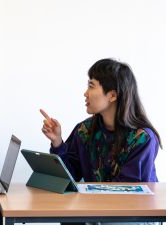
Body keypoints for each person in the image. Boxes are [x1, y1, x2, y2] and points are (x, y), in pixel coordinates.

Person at [40, 58, 162, 225]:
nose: (85, 93)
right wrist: (57, 142)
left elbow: (128, 193)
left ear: (112, 95)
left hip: (132, 217)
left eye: (91, 86)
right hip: (96, 213)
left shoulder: (142, 139)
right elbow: (70, 177)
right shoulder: (85, 130)